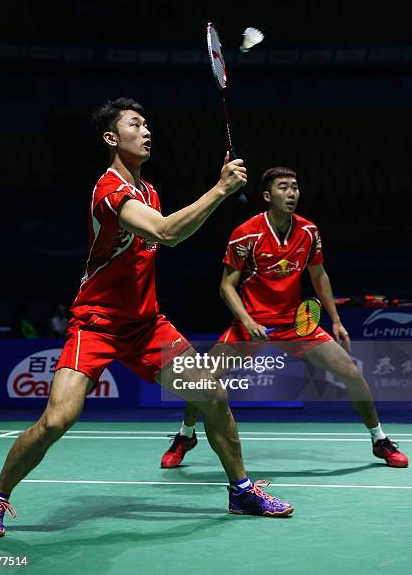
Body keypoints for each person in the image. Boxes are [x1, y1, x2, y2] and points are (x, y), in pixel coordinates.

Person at [0, 99, 294, 539]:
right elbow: (167, 232)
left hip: (146, 325)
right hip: (97, 324)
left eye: (147, 125)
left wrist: (214, 196)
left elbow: (170, 230)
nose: (146, 131)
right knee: (56, 421)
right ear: (112, 138)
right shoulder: (109, 191)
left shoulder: (150, 193)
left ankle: (241, 491)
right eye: (135, 124)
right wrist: (220, 190)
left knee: (213, 396)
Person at [160, 167, 408, 470]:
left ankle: (379, 439)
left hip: (295, 324)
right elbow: (226, 286)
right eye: (283, 188)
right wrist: (248, 321)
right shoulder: (246, 234)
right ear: (267, 196)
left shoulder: (308, 232)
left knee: (350, 372)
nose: (291, 193)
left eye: (294, 187)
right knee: (203, 379)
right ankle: (185, 436)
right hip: (252, 325)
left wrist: (336, 320)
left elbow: (319, 275)